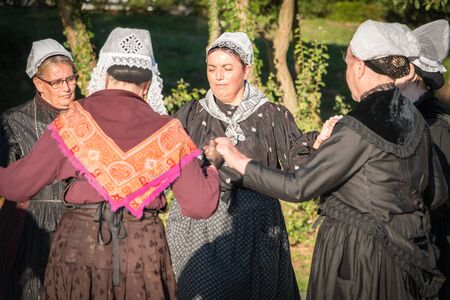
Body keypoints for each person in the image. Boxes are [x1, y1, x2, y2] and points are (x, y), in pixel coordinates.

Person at [213, 20, 448, 300]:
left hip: (358, 260)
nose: (347, 71)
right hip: (405, 257)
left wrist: (239, 161)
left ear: (359, 66)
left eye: (347, 63)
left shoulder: (359, 125)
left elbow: (298, 187)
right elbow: (437, 193)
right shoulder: (415, 118)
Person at [0, 27, 220, 299]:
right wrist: (211, 168)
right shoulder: (169, 131)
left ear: (104, 75)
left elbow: (16, 187)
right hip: (142, 250)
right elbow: (200, 205)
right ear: (149, 84)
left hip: (79, 245)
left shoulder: (73, 121)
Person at [166, 31, 337, 299]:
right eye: (212, 68)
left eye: (227, 68)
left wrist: (318, 143)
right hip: (201, 228)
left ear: (246, 70)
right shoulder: (190, 113)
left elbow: (296, 161)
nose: (218, 76)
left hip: (257, 227)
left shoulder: (272, 115)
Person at [0, 38, 77, 299]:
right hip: (32, 225)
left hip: (78, 223)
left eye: (71, 79)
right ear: (38, 84)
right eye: (57, 82)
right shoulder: (13, 121)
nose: (66, 88)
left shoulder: (86, 116)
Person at [396, 19, 450, 299]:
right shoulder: (407, 120)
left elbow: (438, 204)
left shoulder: (436, 129)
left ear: (414, 74)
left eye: (397, 67)